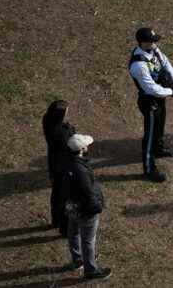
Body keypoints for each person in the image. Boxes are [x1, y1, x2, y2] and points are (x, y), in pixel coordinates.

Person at [128, 27, 173, 182]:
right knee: (149, 135)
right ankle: (149, 169)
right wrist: (170, 91)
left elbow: (165, 62)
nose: (155, 43)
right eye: (152, 41)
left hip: (160, 96)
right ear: (143, 43)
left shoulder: (153, 50)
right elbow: (150, 88)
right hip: (149, 100)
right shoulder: (138, 65)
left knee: (160, 125)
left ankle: (159, 148)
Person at [59, 134, 112, 280]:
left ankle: (77, 260)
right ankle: (91, 270)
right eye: (86, 145)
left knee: (73, 233)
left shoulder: (66, 162)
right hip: (86, 210)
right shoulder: (80, 169)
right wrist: (97, 207)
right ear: (81, 149)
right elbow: (87, 193)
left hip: (72, 207)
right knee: (88, 240)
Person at [42, 100, 76, 236]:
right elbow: (69, 146)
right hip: (64, 166)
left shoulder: (47, 121)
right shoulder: (62, 133)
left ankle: (55, 220)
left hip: (54, 163)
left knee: (56, 194)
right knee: (65, 197)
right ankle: (64, 226)